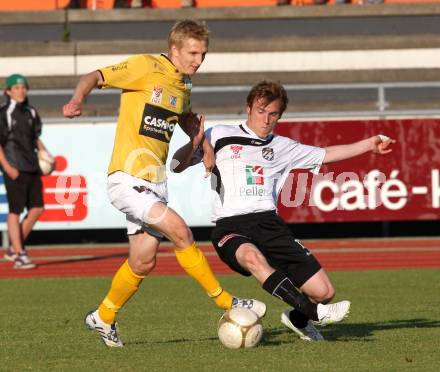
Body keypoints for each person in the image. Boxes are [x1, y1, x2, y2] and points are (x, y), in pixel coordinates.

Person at [62, 20, 265, 348]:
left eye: (203, 54)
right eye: (193, 53)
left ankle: (104, 316)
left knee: (143, 260)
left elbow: (185, 117)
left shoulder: (183, 84)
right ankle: (228, 302)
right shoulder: (146, 66)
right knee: (181, 232)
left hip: (155, 183)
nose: (198, 60)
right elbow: (94, 76)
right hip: (127, 179)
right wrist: (77, 99)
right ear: (174, 49)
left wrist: (205, 147)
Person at [172, 80, 395, 341]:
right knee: (252, 257)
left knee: (324, 292)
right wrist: (196, 141)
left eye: (273, 113)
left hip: (269, 225)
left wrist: (370, 144)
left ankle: (298, 318)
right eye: (261, 111)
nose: (266, 119)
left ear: (280, 115)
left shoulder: (283, 147)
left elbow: (327, 154)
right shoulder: (218, 135)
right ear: (248, 108)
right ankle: (314, 312)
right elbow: (176, 164)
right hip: (230, 226)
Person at [0, 74, 48, 270]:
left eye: (23, 87)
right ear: (8, 91)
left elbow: (35, 137)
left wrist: (45, 153)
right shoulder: (4, 113)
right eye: (16, 87)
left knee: (37, 209)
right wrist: (8, 167)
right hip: (15, 167)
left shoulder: (31, 112)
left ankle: (13, 249)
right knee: (15, 211)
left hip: (32, 167)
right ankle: (20, 254)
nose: (21, 90)